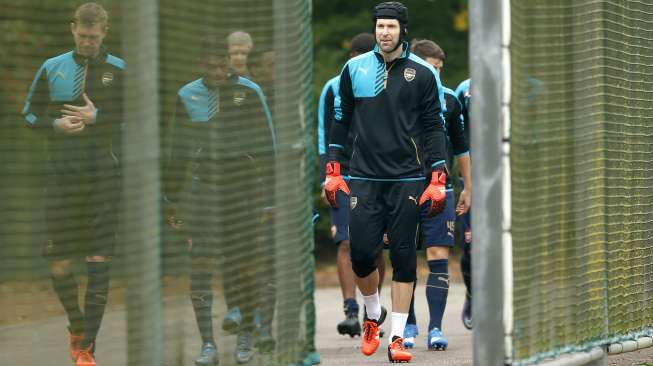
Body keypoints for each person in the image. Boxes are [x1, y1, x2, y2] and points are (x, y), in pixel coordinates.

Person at [324, 2, 448, 362]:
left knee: (405, 258)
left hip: (407, 178)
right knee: (362, 255)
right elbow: (340, 121)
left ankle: (396, 337)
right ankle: (371, 314)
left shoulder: (424, 73)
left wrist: (437, 174)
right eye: (379, 26)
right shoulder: (353, 69)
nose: (384, 32)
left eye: (391, 26)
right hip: (362, 177)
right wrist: (333, 167)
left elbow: (433, 127)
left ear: (402, 29)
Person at [22, 3, 124, 366]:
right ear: (72, 30)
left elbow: (142, 118)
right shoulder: (52, 67)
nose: (87, 42)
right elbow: (29, 114)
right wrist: (55, 126)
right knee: (60, 266)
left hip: (103, 178)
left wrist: (100, 118)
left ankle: (88, 348)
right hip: (61, 178)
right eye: (82, 36)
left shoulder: (119, 70)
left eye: (93, 37)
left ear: (104, 33)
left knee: (99, 260)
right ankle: (76, 325)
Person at [164, 35, 276, 365]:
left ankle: (244, 337)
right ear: (200, 66)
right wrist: (171, 198)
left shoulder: (249, 92)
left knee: (244, 264)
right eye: (210, 65)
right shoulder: (186, 95)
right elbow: (178, 151)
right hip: (203, 190)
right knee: (200, 263)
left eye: (222, 64)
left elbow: (269, 147)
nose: (217, 70)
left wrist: (269, 198)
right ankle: (207, 345)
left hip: (243, 191)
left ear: (229, 63)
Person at [402, 39, 472, 350]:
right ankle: (409, 324)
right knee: (405, 258)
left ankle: (435, 328)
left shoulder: (450, 100)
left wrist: (467, 186)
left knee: (438, 255)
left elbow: (461, 146)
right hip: (402, 189)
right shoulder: (396, 97)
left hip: (440, 189)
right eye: (432, 68)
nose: (437, 75)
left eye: (440, 69)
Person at [317, 32, 387, 338]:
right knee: (346, 241)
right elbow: (324, 132)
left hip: (377, 174)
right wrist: (327, 175)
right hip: (343, 174)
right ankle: (351, 311)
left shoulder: (386, 81)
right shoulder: (332, 87)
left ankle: (375, 307)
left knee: (376, 247)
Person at [455, 77, 473, 330]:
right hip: (475, 179)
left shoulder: (528, 84)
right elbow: (455, 135)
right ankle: (473, 295)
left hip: (516, 177)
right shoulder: (465, 89)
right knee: (471, 247)